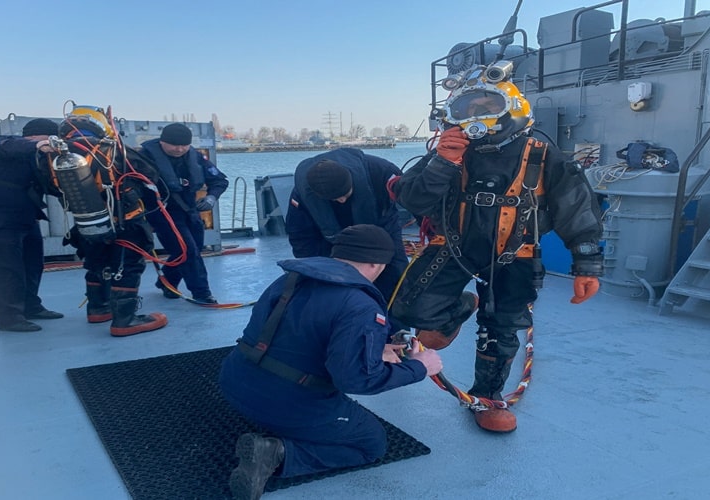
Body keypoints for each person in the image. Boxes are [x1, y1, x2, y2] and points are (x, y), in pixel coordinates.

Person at [388, 68, 603, 433]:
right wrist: (443, 163)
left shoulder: (542, 154)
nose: (476, 116)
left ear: (513, 107)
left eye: (488, 105)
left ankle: (487, 397)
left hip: (514, 254)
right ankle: (454, 312)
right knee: (408, 308)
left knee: (501, 328)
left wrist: (586, 263)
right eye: (467, 108)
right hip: (452, 246)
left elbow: (576, 207)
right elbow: (412, 199)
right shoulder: (448, 152)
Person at [219, 224, 442, 500]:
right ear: (377, 263)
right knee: (371, 443)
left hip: (234, 382)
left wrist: (374, 349)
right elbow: (355, 380)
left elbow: (292, 336)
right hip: (287, 405)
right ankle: (277, 453)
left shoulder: (291, 278)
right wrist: (420, 367)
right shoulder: (361, 305)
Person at [40, 105, 167, 337]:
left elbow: (52, 188)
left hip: (88, 221)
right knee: (127, 266)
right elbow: (150, 176)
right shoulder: (114, 150)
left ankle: (98, 308)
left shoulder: (53, 156)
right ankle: (125, 320)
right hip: (126, 220)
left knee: (97, 263)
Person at [285, 148, 408, 320]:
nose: (342, 201)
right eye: (335, 199)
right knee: (332, 286)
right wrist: (314, 269)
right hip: (330, 237)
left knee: (396, 278)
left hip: (381, 226)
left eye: (345, 195)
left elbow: (416, 200)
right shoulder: (303, 192)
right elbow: (300, 236)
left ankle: (398, 332)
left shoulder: (382, 171)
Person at [0, 118, 64, 332]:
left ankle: (31, 306)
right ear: (35, 136)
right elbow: (6, 146)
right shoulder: (5, 144)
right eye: (50, 138)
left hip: (25, 218)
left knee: (33, 265)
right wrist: (39, 145)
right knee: (5, 269)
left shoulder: (39, 158)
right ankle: (9, 318)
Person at [139, 123, 228, 304]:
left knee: (191, 249)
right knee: (187, 250)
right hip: (162, 213)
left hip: (190, 210)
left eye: (184, 145)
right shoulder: (144, 158)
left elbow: (219, 180)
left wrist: (211, 197)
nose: (179, 149)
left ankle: (167, 282)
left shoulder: (194, 157)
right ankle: (202, 293)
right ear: (162, 142)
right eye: (174, 145)